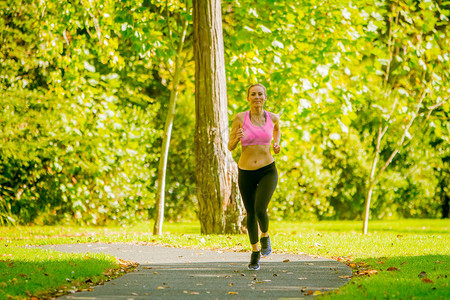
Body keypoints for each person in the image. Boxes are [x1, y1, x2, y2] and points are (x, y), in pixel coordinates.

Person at [228, 83, 281, 270]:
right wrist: (236, 137)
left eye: (260, 94)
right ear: (247, 98)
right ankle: (254, 252)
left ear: (265, 97)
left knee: (260, 208)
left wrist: (276, 144)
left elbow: (276, 130)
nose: (257, 97)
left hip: (267, 169)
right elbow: (230, 146)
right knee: (250, 212)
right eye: (253, 94)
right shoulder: (240, 118)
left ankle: (265, 235)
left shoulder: (273, 118)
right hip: (245, 171)